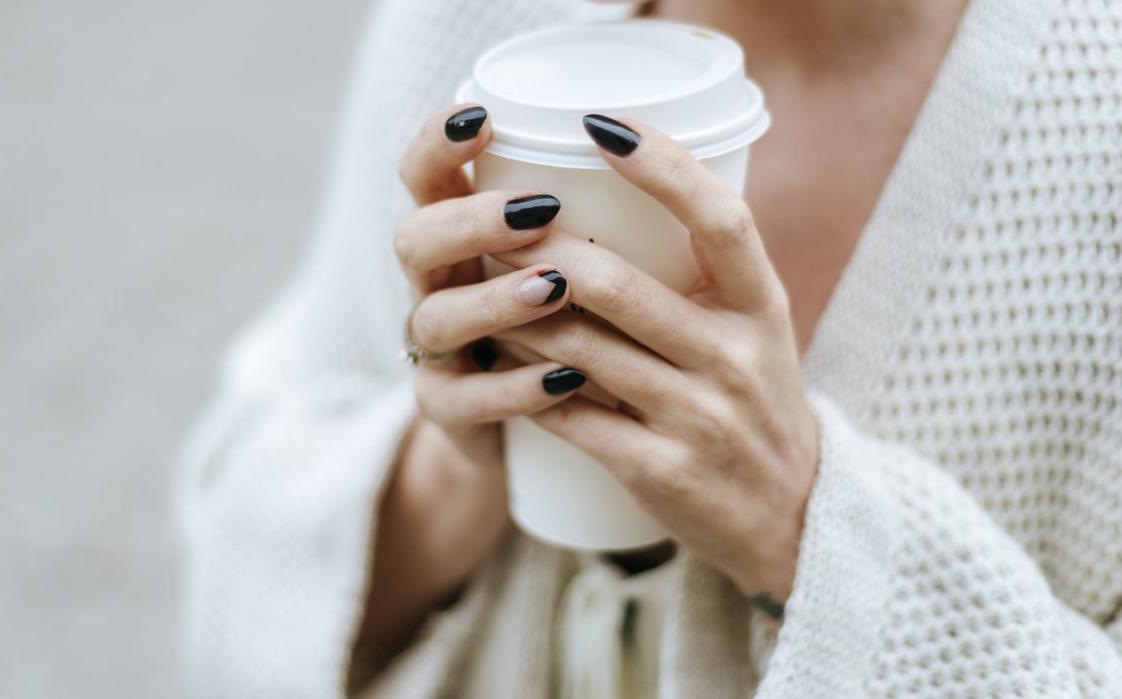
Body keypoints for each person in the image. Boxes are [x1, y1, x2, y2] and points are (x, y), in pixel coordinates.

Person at [178, 0, 1122, 696]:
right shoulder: (471, 24)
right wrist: (457, 463)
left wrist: (805, 533)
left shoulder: (1089, 111)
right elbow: (237, 563)